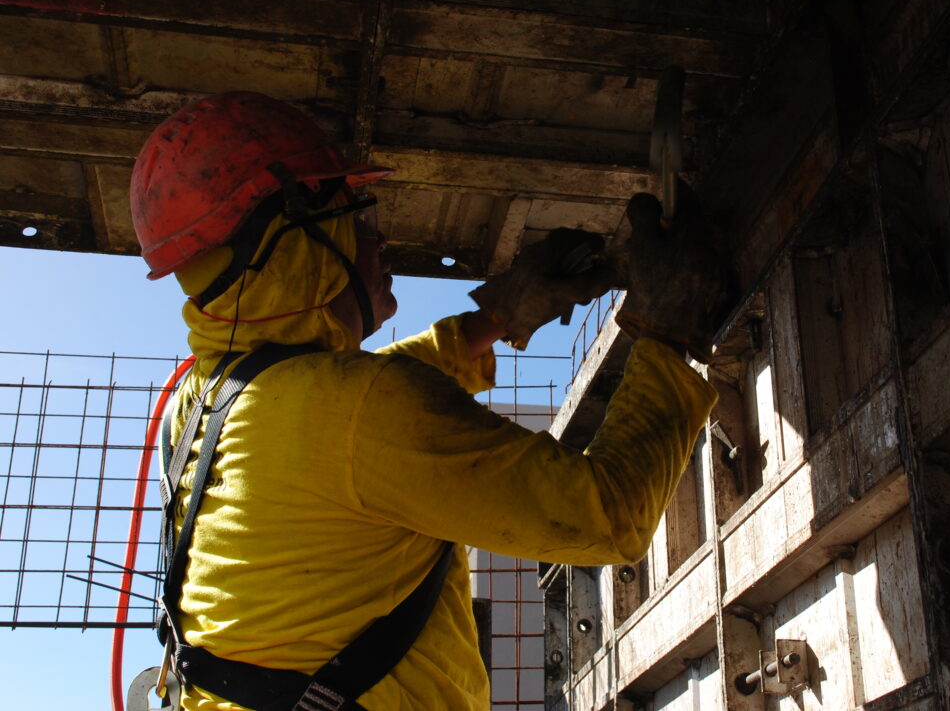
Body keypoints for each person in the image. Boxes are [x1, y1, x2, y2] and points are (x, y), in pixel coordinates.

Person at [131, 91, 721, 711]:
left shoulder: (207, 401)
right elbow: (609, 514)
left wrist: (500, 315)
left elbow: (350, 415)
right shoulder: (361, 409)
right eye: (356, 216)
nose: (379, 238)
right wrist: (665, 329)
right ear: (300, 239)